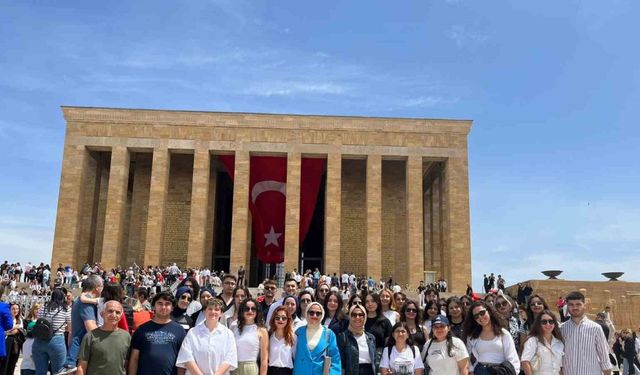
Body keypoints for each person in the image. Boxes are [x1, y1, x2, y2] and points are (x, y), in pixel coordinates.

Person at [129, 291, 187, 375]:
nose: (163, 307)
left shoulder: (179, 330)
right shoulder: (141, 330)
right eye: (160, 303)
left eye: (167, 304)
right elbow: (134, 359)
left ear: (172, 307)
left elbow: (182, 362)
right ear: (154, 306)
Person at [176, 298, 238, 374]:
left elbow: (229, 359)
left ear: (221, 313)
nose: (213, 312)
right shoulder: (192, 333)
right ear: (204, 312)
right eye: (210, 309)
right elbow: (187, 357)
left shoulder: (228, 334)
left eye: (217, 309)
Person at [560, 291, 612, 375]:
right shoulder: (561, 329)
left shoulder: (595, 328)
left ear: (584, 306)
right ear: (567, 307)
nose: (575, 307)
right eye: (571, 305)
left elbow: (604, 358)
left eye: (578, 304)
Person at [463, 301, 520, 375]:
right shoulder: (472, 336)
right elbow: (467, 355)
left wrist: (512, 372)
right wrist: (471, 370)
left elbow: (512, 357)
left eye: (482, 313)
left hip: (500, 371)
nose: (480, 317)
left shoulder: (503, 333)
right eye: (476, 316)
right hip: (479, 371)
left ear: (489, 311)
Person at [76, 300, 131, 375]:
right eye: (110, 311)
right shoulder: (90, 336)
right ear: (102, 314)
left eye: (117, 312)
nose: (113, 315)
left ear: (121, 316)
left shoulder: (126, 337)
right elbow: (81, 367)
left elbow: (127, 364)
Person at [62, 274, 103, 374]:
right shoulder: (86, 303)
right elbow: (91, 328)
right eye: (102, 287)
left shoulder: (78, 300)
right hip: (84, 351)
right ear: (97, 288)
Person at [293, 302, 341, 375]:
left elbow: (335, 359)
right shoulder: (298, 332)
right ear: (306, 313)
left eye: (318, 313)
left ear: (322, 315)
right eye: (311, 312)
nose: (314, 315)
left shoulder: (329, 334)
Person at [32, 289, 71, 375]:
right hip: (56, 340)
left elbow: (39, 320)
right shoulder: (66, 309)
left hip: (40, 340)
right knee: (59, 372)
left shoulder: (44, 307)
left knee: (40, 372)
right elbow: (69, 328)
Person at [336, 304, 377, 375]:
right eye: (354, 315)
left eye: (360, 314)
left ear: (365, 317)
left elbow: (374, 360)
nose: (357, 317)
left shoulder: (371, 337)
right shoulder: (343, 337)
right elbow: (341, 362)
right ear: (350, 317)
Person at [521, 310, 564, 375]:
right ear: (539, 324)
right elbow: (525, 362)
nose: (548, 324)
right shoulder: (532, 341)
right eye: (544, 322)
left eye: (551, 321)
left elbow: (560, 368)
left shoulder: (559, 343)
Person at [233, 299, 269, 375]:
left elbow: (264, 360)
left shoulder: (262, 330)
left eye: (253, 309)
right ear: (242, 311)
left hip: (251, 369)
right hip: (234, 368)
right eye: (246, 309)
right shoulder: (234, 328)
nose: (250, 311)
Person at [363, 292, 393, 367]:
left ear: (378, 302)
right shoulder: (360, 319)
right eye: (367, 302)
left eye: (373, 301)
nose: (370, 304)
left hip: (379, 360)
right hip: (363, 359)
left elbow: (389, 344)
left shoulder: (385, 322)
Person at [267, 306, 295, 375]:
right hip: (271, 371)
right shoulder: (268, 336)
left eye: (284, 318)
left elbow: (295, 357)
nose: (280, 320)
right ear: (273, 319)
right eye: (277, 318)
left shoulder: (293, 337)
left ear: (288, 320)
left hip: (287, 372)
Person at [1, 302, 23, 375]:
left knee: (12, 363)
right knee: (4, 363)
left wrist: (13, 330)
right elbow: (4, 331)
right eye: (13, 309)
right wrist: (14, 328)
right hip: (6, 342)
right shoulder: (6, 318)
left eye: (17, 309)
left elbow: (19, 330)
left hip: (15, 344)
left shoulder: (20, 320)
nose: (15, 311)